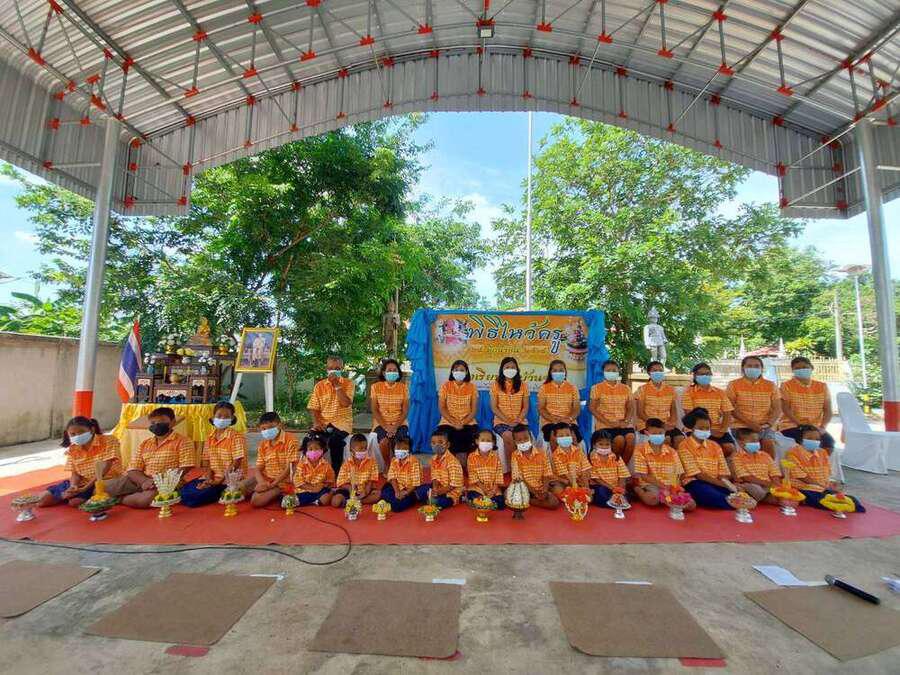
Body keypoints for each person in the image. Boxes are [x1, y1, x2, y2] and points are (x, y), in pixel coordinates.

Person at [39, 417, 130, 507]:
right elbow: (75, 473)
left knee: (74, 502)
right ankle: (74, 496)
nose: (77, 436)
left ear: (92, 430)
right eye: (73, 434)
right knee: (43, 499)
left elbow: (104, 469)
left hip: (105, 481)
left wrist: (85, 488)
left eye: (81, 432)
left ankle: (88, 496)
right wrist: (73, 486)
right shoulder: (73, 448)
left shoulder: (109, 440)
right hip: (83, 482)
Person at [122, 407, 195, 508]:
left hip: (166, 484)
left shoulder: (183, 441)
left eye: (162, 421)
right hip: (142, 480)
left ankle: (119, 499)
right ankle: (126, 496)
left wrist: (158, 482)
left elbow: (186, 467)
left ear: (173, 422)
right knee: (105, 488)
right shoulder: (145, 443)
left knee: (144, 501)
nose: (157, 425)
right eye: (153, 423)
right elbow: (133, 468)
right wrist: (144, 481)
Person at [181, 401, 248, 508]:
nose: (222, 419)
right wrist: (208, 479)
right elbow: (207, 461)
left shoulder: (236, 437)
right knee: (184, 491)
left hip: (228, 480)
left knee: (195, 498)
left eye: (226, 416)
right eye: (219, 415)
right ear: (213, 417)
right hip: (212, 478)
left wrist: (218, 481)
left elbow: (237, 462)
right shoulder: (210, 437)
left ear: (232, 418)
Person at [786, 425, 865, 512]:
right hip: (804, 489)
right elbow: (802, 477)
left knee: (853, 500)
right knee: (822, 499)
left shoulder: (822, 453)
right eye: (809, 438)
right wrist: (821, 485)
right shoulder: (793, 453)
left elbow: (826, 473)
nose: (814, 441)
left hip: (821, 489)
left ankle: (838, 504)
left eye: (817, 439)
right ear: (800, 440)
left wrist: (829, 484)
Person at [677, 409, 738, 509]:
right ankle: (731, 503)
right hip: (695, 482)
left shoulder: (715, 445)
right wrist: (723, 485)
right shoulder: (684, 446)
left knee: (736, 493)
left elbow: (723, 471)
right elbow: (698, 475)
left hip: (716, 482)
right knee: (712, 495)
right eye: (701, 428)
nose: (705, 431)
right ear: (692, 428)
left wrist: (727, 484)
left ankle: (731, 502)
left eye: (707, 428)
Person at [632, 419, 696, 510]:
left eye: (660, 433)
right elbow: (644, 476)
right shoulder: (640, 449)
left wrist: (675, 489)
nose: (658, 436)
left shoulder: (672, 451)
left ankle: (669, 500)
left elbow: (678, 474)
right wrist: (664, 487)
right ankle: (638, 490)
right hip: (650, 483)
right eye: (654, 433)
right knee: (653, 500)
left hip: (670, 485)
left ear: (665, 432)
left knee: (691, 505)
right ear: (647, 433)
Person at [308, 355, 355, 475]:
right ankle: (313, 472)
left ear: (342, 369)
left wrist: (337, 385)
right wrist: (316, 422)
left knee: (335, 441)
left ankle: (336, 473)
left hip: (342, 424)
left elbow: (345, 403)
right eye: (331, 368)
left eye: (337, 368)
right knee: (311, 440)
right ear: (326, 369)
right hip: (323, 423)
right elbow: (314, 407)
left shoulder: (349, 383)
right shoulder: (319, 386)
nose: (333, 371)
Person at [726, 356, 781, 458]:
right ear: (743, 368)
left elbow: (777, 408)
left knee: (768, 444)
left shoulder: (771, 385)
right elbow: (731, 408)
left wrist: (768, 424)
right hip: (741, 425)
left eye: (756, 366)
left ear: (761, 368)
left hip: (765, 426)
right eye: (749, 366)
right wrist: (750, 424)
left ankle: (769, 467)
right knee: (750, 442)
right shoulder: (733, 385)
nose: (753, 368)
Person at [779, 356, 835, 453]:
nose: (801, 370)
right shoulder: (786, 385)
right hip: (792, 425)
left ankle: (821, 462)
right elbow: (785, 408)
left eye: (804, 367)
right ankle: (803, 462)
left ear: (811, 368)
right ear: (793, 370)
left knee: (829, 442)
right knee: (807, 441)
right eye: (797, 368)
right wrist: (800, 424)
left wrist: (823, 427)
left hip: (815, 427)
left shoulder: (822, 386)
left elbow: (828, 410)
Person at [682, 362, 735, 455]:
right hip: (696, 429)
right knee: (704, 448)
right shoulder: (689, 393)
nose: (705, 376)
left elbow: (727, 412)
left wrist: (723, 430)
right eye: (701, 374)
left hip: (717, 429)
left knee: (729, 448)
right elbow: (689, 415)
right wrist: (708, 431)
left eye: (707, 373)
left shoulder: (719, 392)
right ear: (695, 376)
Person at [589, 359, 636, 463]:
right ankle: (613, 465)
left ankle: (623, 467)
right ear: (603, 372)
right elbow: (592, 408)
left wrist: (626, 421)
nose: (611, 372)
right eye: (608, 370)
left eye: (614, 370)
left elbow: (630, 407)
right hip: (605, 425)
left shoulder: (626, 388)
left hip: (623, 424)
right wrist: (608, 423)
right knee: (619, 440)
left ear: (618, 371)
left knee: (631, 438)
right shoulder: (596, 388)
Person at [250, 412, 300, 508]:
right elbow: (258, 468)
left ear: (279, 425)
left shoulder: (291, 440)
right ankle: (264, 490)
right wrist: (262, 483)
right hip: (266, 478)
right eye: (264, 429)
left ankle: (279, 491)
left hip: (282, 482)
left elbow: (289, 468)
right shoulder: (263, 444)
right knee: (239, 489)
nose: (267, 431)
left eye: (271, 427)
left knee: (256, 501)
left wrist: (272, 485)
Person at [437, 359, 479, 464]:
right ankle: (449, 465)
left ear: (466, 372)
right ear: (452, 372)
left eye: (462, 370)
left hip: (468, 421)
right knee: (446, 436)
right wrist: (453, 422)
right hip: (448, 421)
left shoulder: (472, 387)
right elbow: (442, 408)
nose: (459, 372)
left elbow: (474, 410)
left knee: (471, 436)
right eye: (456, 370)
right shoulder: (445, 386)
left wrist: (463, 423)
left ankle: (468, 464)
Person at [509, 424, 559, 509]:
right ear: (515, 442)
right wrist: (535, 492)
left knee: (554, 503)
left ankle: (528, 501)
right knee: (509, 495)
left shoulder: (542, 453)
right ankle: (531, 500)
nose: (523, 442)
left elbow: (547, 474)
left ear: (531, 438)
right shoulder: (515, 455)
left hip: (541, 487)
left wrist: (545, 490)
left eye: (526, 438)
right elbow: (518, 478)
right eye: (519, 440)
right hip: (525, 488)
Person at [490, 356, 529, 466]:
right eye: (507, 367)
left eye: (513, 367)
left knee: (523, 438)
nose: (510, 369)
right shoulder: (495, 385)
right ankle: (513, 468)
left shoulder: (523, 385)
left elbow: (525, 407)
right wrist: (507, 421)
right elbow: (494, 407)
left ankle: (526, 467)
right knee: (508, 436)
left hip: (519, 421)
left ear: (517, 369)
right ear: (502, 369)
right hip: (501, 421)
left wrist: (518, 419)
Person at [370, 358, 410, 466]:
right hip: (381, 423)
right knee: (384, 442)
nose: (392, 372)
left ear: (398, 372)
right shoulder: (375, 387)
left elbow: (405, 410)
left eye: (394, 370)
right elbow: (374, 409)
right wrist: (387, 427)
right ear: (384, 373)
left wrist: (395, 427)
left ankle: (399, 466)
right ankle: (388, 466)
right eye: (389, 370)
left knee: (401, 445)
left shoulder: (403, 388)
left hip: (400, 423)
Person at [414, 429, 465, 509]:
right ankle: (430, 498)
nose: (437, 445)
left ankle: (461, 497)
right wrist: (435, 488)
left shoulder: (453, 461)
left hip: (452, 491)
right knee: (418, 491)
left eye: (441, 442)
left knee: (436, 503)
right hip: (439, 487)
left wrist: (439, 492)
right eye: (433, 443)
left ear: (448, 445)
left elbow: (453, 485)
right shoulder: (433, 459)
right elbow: (435, 477)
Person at [730, 427, 781, 504]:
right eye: (753, 441)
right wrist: (768, 484)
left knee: (783, 489)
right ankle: (766, 498)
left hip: (766, 485)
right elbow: (746, 477)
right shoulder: (736, 456)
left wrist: (776, 484)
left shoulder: (765, 455)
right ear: (741, 443)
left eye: (757, 441)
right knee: (754, 489)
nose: (756, 443)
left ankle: (767, 497)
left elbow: (774, 472)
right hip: (750, 484)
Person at [635, 361, 681, 446]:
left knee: (680, 438)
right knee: (666, 439)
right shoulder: (642, 389)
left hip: (665, 423)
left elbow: (673, 411)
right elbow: (640, 413)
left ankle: (673, 455)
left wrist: (672, 423)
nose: (658, 373)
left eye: (660, 370)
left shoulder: (670, 389)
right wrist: (659, 425)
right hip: (647, 424)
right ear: (649, 373)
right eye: (655, 370)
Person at [537, 360, 582, 444]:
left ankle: (575, 453)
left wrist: (569, 419)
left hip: (568, 421)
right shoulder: (544, 388)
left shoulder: (573, 388)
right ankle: (555, 453)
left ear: (565, 372)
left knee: (574, 438)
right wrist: (552, 419)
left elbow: (576, 408)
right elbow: (541, 408)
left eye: (561, 370)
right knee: (553, 437)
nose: (558, 373)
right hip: (550, 421)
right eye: (555, 370)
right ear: (550, 372)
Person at [332, 433, 381, 507]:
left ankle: (358, 502)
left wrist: (366, 492)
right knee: (335, 501)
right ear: (351, 450)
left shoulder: (372, 462)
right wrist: (351, 489)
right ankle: (350, 501)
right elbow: (341, 482)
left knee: (378, 495)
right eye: (361, 448)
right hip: (349, 490)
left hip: (365, 490)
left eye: (365, 448)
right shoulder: (346, 464)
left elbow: (371, 480)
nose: (364, 450)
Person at [380, 435, 423, 512]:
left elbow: (416, 483)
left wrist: (405, 493)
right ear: (394, 448)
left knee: (397, 506)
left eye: (404, 448)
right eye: (398, 448)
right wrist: (397, 492)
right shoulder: (394, 460)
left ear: (409, 450)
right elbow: (392, 477)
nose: (400, 450)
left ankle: (406, 499)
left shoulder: (414, 461)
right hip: (396, 487)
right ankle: (393, 499)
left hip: (409, 490)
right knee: (385, 491)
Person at [587, 430, 630, 507]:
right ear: (594, 445)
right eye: (601, 444)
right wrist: (612, 488)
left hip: (616, 487)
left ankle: (616, 500)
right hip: (601, 486)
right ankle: (612, 501)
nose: (604, 447)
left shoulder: (616, 457)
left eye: (607, 444)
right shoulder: (591, 459)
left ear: (611, 445)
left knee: (625, 496)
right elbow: (596, 479)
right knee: (601, 493)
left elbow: (623, 475)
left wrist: (619, 489)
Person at [465, 429, 505, 509]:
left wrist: (492, 491)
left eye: (488, 440)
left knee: (501, 503)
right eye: (482, 440)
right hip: (478, 488)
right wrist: (485, 491)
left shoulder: (496, 458)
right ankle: (488, 503)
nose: (485, 443)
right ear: (477, 441)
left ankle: (484, 504)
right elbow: (473, 476)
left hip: (493, 489)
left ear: (493, 443)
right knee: (473, 496)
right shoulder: (471, 457)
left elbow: (498, 476)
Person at [548, 423, 591, 495]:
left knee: (588, 495)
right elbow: (566, 475)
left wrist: (586, 487)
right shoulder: (556, 455)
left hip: (579, 480)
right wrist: (577, 488)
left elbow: (584, 469)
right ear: (555, 438)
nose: (565, 437)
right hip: (565, 482)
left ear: (572, 435)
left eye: (567, 435)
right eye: (561, 436)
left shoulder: (579, 451)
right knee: (558, 490)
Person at [294, 435, 334, 506]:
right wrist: (312, 488)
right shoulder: (301, 464)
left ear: (322, 450)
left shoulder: (326, 465)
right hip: (304, 491)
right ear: (306, 451)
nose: (314, 451)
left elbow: (330, 480)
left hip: (320, 491)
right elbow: (297, 481)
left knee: (326, 497)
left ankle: (313, 501)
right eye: (310, 449)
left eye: (317, 449)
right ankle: (314, 501)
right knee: (291, 500)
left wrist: (322, 485)